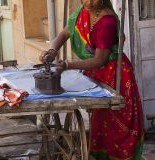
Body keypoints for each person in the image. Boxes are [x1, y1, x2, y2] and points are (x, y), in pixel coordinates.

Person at [40, 0, 144, 159]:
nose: (88, 1)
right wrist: (52, 50)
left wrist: (68, 64)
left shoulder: (107, 21)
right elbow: (63, 34)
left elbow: (99, 60)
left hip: (116, 76)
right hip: (98, 76)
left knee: (119, 129)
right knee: (101, 125)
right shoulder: (83, 11)